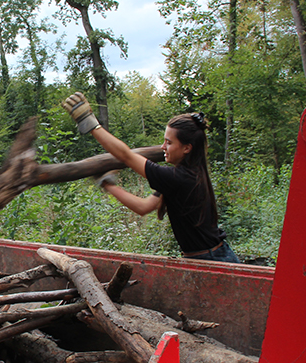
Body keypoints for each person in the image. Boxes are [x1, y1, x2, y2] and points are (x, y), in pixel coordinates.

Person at [61, 92, 240, 263]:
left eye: (169, 143)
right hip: (210, 257)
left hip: (212, 260)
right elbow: (144, 207)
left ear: (187, 148)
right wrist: (108, 185)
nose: (162, 147)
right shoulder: (187, 175)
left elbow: (126, 156)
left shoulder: (180, 178)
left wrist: (90, 123)